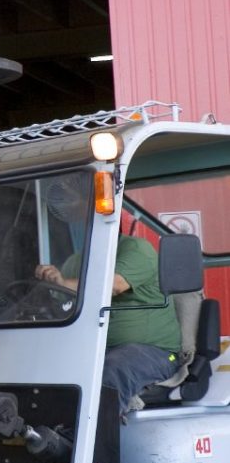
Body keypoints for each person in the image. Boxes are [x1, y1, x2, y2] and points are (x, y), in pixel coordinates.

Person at [34, 177, 182, 416]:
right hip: (94, 348)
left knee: (113, 369)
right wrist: (49, 285)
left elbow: (113, 286)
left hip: (156, 352)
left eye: (72, 197)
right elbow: (64, 299)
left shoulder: (137, 249)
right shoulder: (75, 261)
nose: (65, 203)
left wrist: (62, 282)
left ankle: (98, 447)